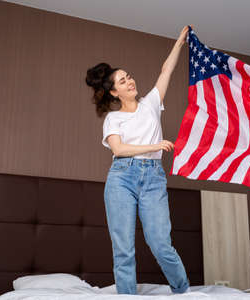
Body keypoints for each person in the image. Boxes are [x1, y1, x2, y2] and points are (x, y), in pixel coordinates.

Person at [85, 25, 192, 295]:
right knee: (123, 247)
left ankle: (184, 292)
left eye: (129, 76)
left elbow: (166, 70)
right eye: (122, 81)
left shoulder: (151, 103)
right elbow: (118, 150)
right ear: (113, 92)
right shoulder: (113, 118)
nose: (130, 81)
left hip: (153, 178)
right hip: (122, 178)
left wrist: (179, 42)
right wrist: (156, 144)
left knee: (161, 243)